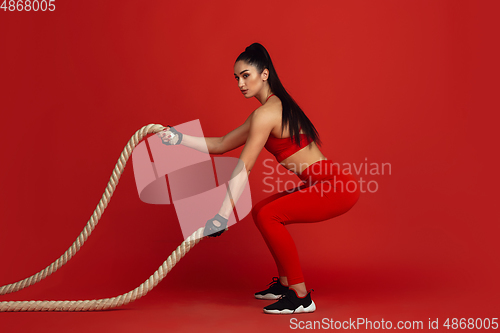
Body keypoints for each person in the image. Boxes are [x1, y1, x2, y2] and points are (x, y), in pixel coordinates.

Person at [158, 43, 360, 314]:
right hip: (323, 183)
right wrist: (179, 139)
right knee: (261, 211)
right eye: (236, 78)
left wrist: (221, 215)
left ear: (264, 74)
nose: (240, 83)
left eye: (245, 75)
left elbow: (244, 167)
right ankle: (286, 282)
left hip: (336, 186)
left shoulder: (267, 113)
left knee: (269, 216)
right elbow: (221, 143)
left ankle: (300, 296)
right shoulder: (265, 111)